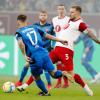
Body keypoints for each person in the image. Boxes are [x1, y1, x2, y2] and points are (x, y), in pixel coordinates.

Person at [50, 5, 100, 96]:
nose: (70, 13)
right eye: (70, 11)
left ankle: (87, 89)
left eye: (72, 12)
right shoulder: (70, 20)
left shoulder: (80, 23)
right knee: (45, 64)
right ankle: (62, 73)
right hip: (57, 48)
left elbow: (88, 31)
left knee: (71, 75)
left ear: (77, 12)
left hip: (66, 50)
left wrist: (97, 40)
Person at [15, 14, 68, 96]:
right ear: (26, 21)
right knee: (54, 74)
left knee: (36, 77)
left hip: (34, 57)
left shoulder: (19, 32)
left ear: (18, 21)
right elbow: (47, 35)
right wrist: (60, 40)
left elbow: (20, 43)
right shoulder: (34, 27)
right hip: (44, 53)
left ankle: (46, 93)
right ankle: (63, 73)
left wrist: (24, 55)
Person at [15, 10, 55, 90]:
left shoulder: (50, 26)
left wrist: (53, 45)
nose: (43, 16)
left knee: (44, 69)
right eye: (41, 15)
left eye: (44, 15)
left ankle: (49, 84)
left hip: (45, 49)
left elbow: (52, 36)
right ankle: (20, 82)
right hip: (35, 51)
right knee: (28, 66)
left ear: (47, 16)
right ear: (39, 16)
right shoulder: (34, 26)